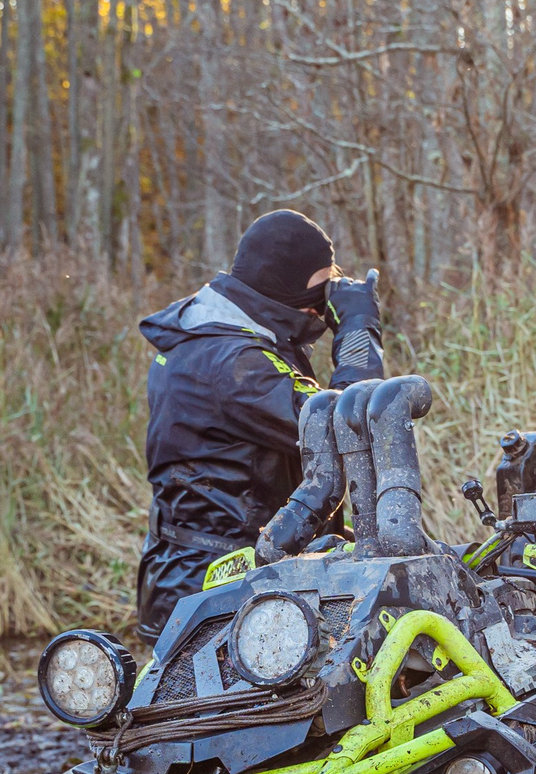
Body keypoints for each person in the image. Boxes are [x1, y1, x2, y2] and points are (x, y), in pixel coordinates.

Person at [134, 211, 385, 636]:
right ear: (284, 285)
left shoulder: (219, 336)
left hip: (200, 577)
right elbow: (350, 427)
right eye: (321, 288)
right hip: (219, 590)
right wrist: (359, 329)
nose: (325, 302)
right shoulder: (235, 362)